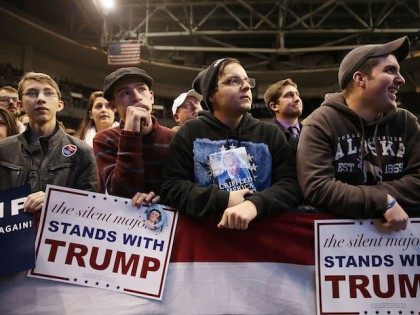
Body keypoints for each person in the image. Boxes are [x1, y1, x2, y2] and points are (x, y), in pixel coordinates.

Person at [297, 36, 419, 232]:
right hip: (338, 248)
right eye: (390, 70)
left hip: (400, 246)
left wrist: (371, 197)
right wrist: (383, 200)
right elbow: (317, 187)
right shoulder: (321, 122)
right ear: (360, 79)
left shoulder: (407, 122)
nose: (401, 79)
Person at [161, 58, 299, 230]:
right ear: (211, 95)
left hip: (263, 242)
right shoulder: (190, 132)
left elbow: (290, 185)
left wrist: (254, 205)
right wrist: (223, 199)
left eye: (247, 81)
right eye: (233, 81)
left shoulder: (271, 134)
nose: (247, 86)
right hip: (208, 241)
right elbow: (171, 187)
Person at [0, 72, 99, 213]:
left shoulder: (83, 152)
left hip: (56, 233)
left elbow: (91, 207)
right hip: (10, 233)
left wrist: (54, 202)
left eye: (48, 93)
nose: (40, 98)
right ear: (20, 105)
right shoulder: (3, 150)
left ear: (60, 105)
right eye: (32, 93)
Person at [93, 67, 175, 205]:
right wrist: (130, 135)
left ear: (151, 97)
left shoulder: (174, 137)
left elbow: (180, 188)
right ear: (113, 106)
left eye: (141, 89)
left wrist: (162, 199)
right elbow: (121, 194)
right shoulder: (104, 139)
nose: (136, 96)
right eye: (125, 93)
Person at [264, 78, 303, 149]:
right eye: (289, 95)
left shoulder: (311, 131)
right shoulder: (265, 135)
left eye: (297, 94)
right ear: (274, 106)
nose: (297, 99)